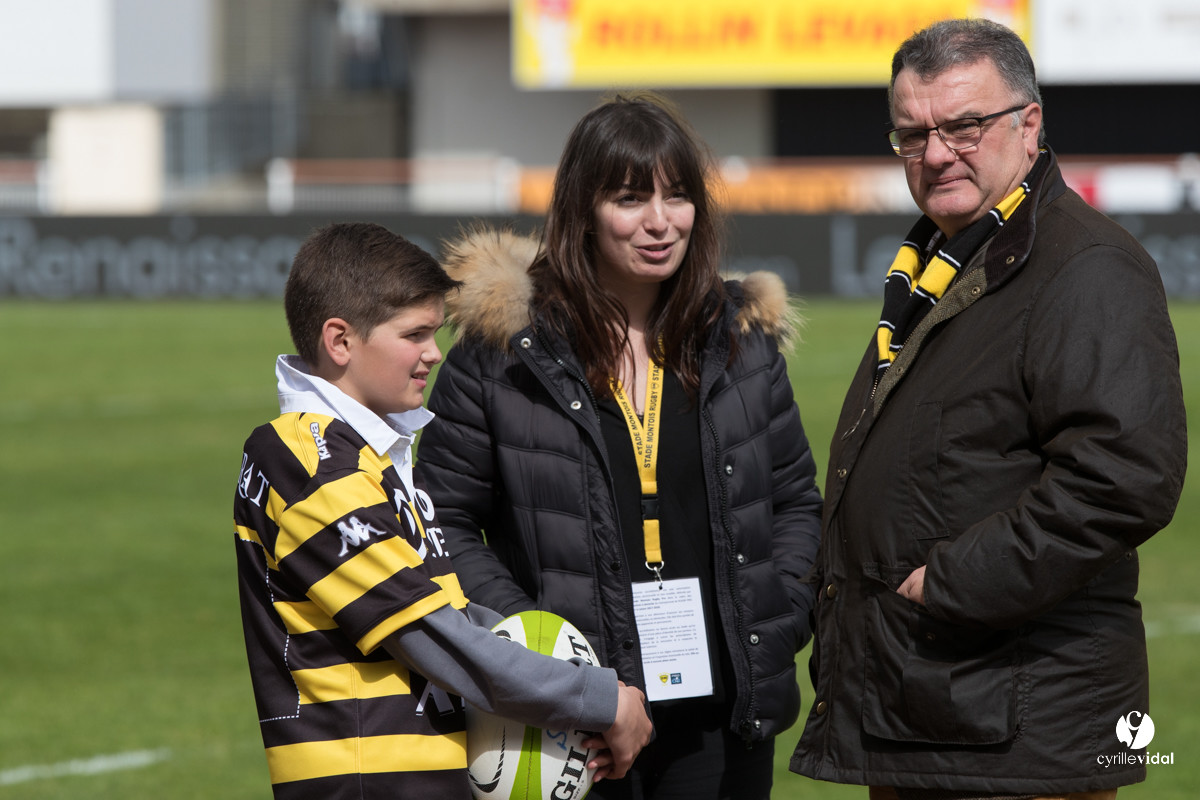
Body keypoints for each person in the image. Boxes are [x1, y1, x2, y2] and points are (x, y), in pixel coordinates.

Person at [789, 18, 1187, 800]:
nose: (936, 154)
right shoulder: (943, 262)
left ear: (1028, 123)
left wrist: (950, 582)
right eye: (913, 134)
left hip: (1012, 723)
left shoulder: (1086, 267)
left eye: (964, 126)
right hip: (934, 709)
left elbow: (1125, 476)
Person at [415, 92, 824, 800]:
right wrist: (542, 657)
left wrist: (773, 623)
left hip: (722, 720)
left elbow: (793, 506)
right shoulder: (502, 352)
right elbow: (442, 520)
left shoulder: (743, 341)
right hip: (571, 725)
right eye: (631, 198)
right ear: (583, 211)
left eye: (678, 197)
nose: (660, 222)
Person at [232, 222, 651, 799]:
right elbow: (429, 635)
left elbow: (451, 613)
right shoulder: (307, 461)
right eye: (415, 334)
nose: (434, 352)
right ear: (340, 341)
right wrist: (597, 698)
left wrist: (568, 683)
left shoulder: (372, 459)